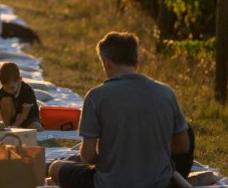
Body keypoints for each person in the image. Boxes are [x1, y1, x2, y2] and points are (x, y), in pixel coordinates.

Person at [50, 31, 190, 188]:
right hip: (158, 182)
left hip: (110, 183)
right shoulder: (166, 93)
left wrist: (115, 158)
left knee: (55, 168)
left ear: (106, 63)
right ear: (137, 63)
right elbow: (183, 145)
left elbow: (88, 155)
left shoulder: (96, 97)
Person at [0, 62, 42, 131]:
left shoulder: (27, 90)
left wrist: (14, 126)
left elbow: (24, 114)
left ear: (19, 79)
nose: (8, 91)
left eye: (12, 88)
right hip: (13, 118)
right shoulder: (3, 91)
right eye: (5, 88)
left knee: (37, 127)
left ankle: (13, 128)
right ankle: (8, 126)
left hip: (28, 118)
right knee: (5, 100)